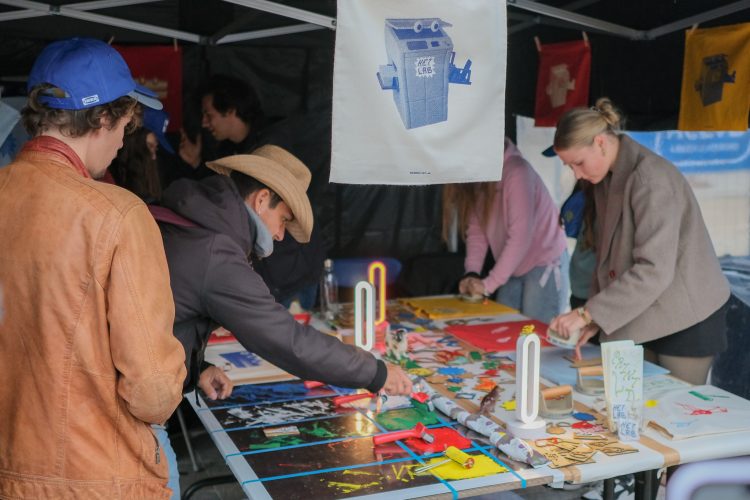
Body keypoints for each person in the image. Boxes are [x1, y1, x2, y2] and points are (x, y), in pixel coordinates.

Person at [0, 38, 186, 498]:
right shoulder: (119, 214)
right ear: (102, 118)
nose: (123, 140)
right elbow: (153, 390)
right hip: (95, 477)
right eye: (125, 124)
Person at [156, 144, 413, 400]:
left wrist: (196, 367)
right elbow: (288, 341)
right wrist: (375, 373)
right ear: (261, 200)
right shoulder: (217, 253)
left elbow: (171, 317)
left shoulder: (199, 221)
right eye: (283, 220)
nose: (280, 235)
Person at [548, 98, 730, 385]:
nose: (577, 174)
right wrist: (595, 318)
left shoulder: (650, 179)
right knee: (637, 401)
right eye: (570, 167)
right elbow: (606, 258)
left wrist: (588, 313)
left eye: (578, 163)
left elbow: (653, 269)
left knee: (673, 407)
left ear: (600, 143)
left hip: (686, 317)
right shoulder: (605, 178)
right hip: (644, 313)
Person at [445, 137, 569, 323]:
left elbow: (520, 237)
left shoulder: (517, 172)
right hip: (513, 267)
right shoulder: (481, 178)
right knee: (505, 326)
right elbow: (477, 231)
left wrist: (488, 285)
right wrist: (472, 272)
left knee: (536, 333)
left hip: (543, 263)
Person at [178, 74, 265, 175]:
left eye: (208, 115)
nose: (204, 124)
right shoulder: (225, 149)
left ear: (230, 110)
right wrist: (196, 162)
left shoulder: (265, 147)